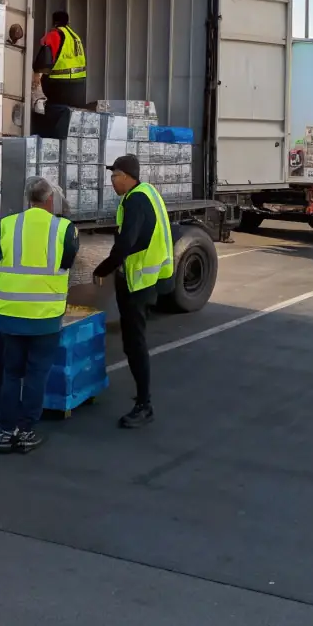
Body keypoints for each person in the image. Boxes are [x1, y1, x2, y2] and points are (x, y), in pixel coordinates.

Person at [0, 176, 79, 454]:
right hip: (44, 315)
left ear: (29, 199)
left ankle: (6, 432)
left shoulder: (7, 224)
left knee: (11, 374)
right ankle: (26, 431)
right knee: (36, 374)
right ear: (51, 200)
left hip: (9, 312)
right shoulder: (64, 228)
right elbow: (68, 262)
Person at [92, 153, 173, 428]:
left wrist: (102, 269)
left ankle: (144, 405)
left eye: (114, 176)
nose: (112, 181)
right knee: (133, 342)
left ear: (127, 177)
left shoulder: (136, 200)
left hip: (137, 283)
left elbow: (126, 244)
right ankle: (142, 395)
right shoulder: (147, 193)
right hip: (145, 280)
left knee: (135, 343)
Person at [31, 10, 86, 139]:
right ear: (68, 22)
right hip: (78, 86)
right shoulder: (75, 37)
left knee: (49, 112)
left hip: (60, 85)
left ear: (54, 22)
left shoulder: (55, 34)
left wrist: (37, 74)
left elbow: (45, 58)